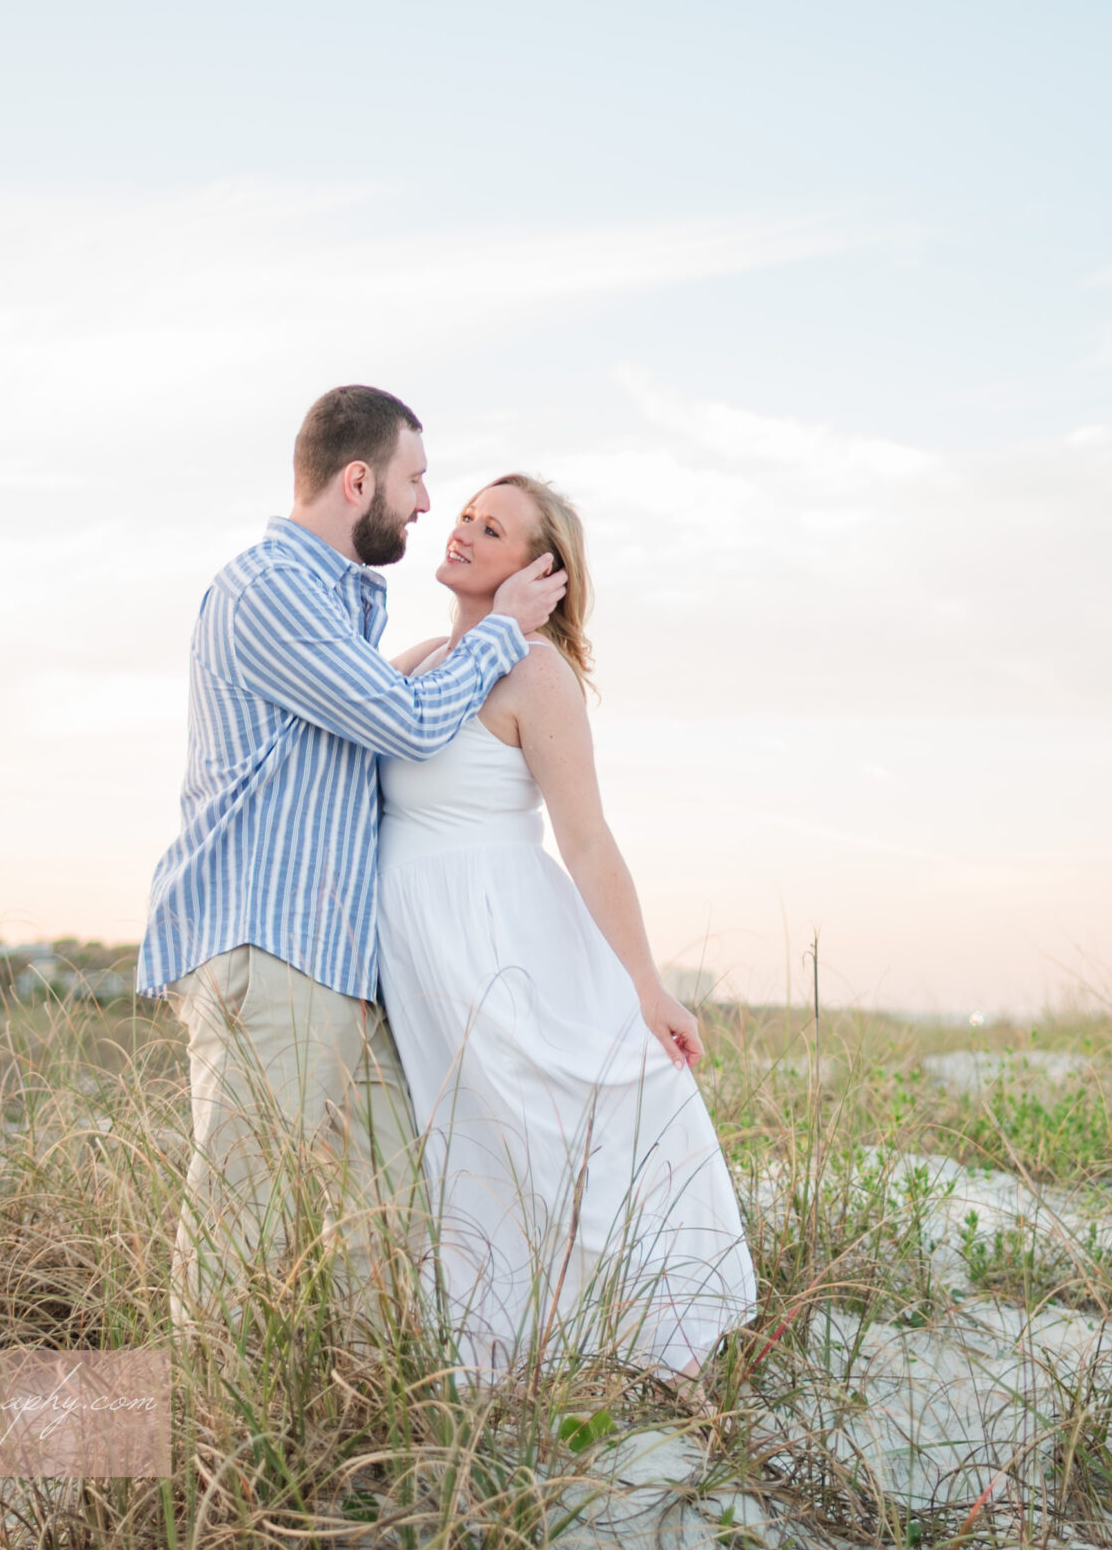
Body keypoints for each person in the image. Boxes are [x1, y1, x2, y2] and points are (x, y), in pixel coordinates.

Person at [138, 386, 568, 1327]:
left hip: (334, 962)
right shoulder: (273, 590)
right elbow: (408, 726)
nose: (425, 506)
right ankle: (205, 1459)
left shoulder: (343, 604)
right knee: (240, 1223)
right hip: (268, 947)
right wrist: (504, 629)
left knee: (390, 1206)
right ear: (359, 478)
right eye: (417, 482)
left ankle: (363, 1423)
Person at [378, 473, 755, 1378]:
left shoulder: (536, 673)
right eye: (464, 513)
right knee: (464, 1145)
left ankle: (622, 1344)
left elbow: (587, 840)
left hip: (498, 942)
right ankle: (492, 1351)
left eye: (490, 526)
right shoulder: (423, 656)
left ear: (537, 570)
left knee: (542, 1129)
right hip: (421, 948)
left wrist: (648, 982)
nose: (462, 529)